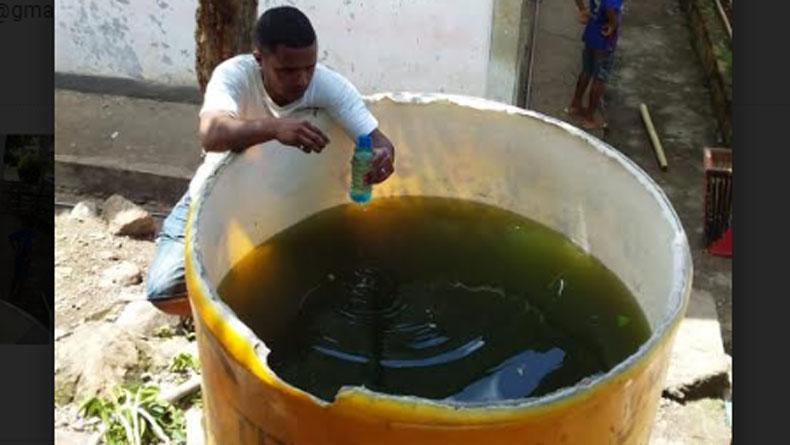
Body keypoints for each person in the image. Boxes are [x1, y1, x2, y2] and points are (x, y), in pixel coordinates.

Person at [146, 6, 396, 316]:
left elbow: (378, 140)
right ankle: (206, 312)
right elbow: (211, 135)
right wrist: (274, 128)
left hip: (277, 204)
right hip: (215, 197)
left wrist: (383, 158)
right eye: (288, 71)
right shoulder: (234, 75)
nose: (302, 79)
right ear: (259, 58)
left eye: (309, 67)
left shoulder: (328, 85)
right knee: (162, 288)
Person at [568, 0, 623, 130]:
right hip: (604, 37)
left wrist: (582, 9)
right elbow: (610, 6)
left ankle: (575, 106)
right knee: (600, 78)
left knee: (586, 71)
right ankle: (589, 118)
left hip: (591, 31)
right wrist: (613, 24)